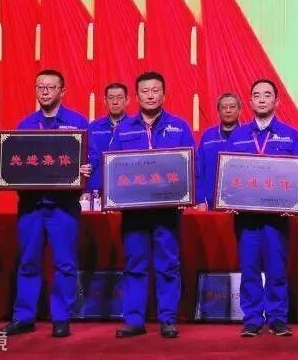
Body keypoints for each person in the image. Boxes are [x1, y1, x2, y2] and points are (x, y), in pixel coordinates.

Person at [0, 69, 92, 338]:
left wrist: (87, 169)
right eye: (40, 87)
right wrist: (2, 174)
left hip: (63, 207)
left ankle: (61, 318)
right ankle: (24, 317)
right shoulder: (25, 124)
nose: (45, 92)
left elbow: (91, 158)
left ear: (63, 91)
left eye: (51, 87)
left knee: (65, 264)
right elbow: (15, 161)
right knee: (28, 262)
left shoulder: (77, 122)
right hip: (31, 206)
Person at [110, 71, 196, 339]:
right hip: (134, 212)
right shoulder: (123, 128)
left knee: (168, 265)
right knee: (134, 265)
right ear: (136, 97)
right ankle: (134, 320)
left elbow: (192, 166)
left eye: (155, 90)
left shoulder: (179, 127)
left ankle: (167, 319)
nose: (150, 95)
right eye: (145, 91)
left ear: (164, 95)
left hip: (167, 211)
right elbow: (112, 166)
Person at [227, 80, 298, 337]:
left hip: (277, 217)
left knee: (276, 269)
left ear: (276, 101)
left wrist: (294, 201)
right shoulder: (238, 135)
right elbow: (228, 173)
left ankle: (277, 317)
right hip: (246, 217)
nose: (261, 99)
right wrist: (227, 199)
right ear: (250, 102)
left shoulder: (290, 134)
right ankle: (251, 318)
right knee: (249, 268)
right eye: (256, 95)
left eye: (267, 95)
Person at [195, 93, 242, 210]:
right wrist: (200, 200)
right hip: (211, 204)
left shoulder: (248, 136)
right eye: (224, 107)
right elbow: (198, 169)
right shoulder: (208, 136)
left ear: (239, 110)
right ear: (218, 111)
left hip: (241, 202)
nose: (228, 110)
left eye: (232, 107)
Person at [87, 83, 130, 204]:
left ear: (127, 100)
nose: (115, 102)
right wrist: (86, 190)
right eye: (111, 98)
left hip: (126, 189)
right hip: (97, 191)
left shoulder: (135, 127)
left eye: (120, 97)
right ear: (105, 101)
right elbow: (86, 161)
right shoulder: (93, 127)